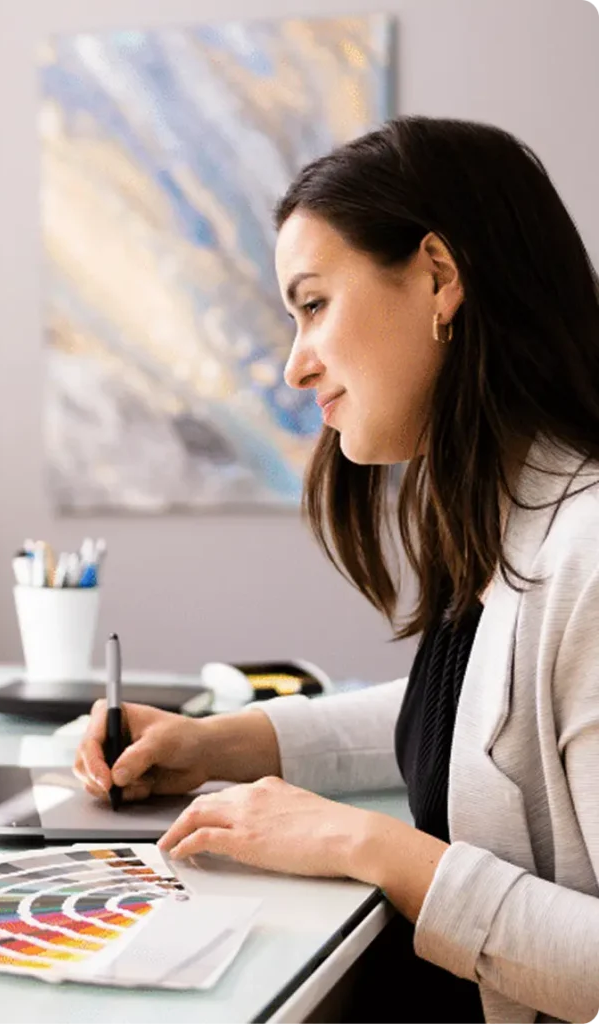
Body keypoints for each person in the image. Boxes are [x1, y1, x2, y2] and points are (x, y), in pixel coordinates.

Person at [74, 115, 599, 1024]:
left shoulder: (588, 552)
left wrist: (370, 846)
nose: (294, 365)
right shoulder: (513, 512)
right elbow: (479, 719)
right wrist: (220, 745)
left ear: (438, 276)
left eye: (314, 304)